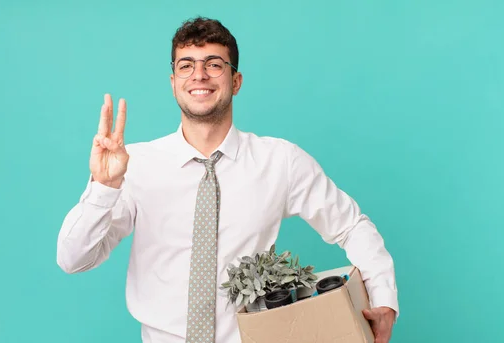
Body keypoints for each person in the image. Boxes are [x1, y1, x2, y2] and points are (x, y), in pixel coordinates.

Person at [57, 16, 398, 343]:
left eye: (214, 64)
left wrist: (383, 299)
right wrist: (103, 188)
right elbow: (74, 260)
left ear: (235, 81)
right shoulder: (134, 165)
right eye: (186, 65)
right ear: (173, 81)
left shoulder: (281, 161)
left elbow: (352, 226)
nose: (199, 75)